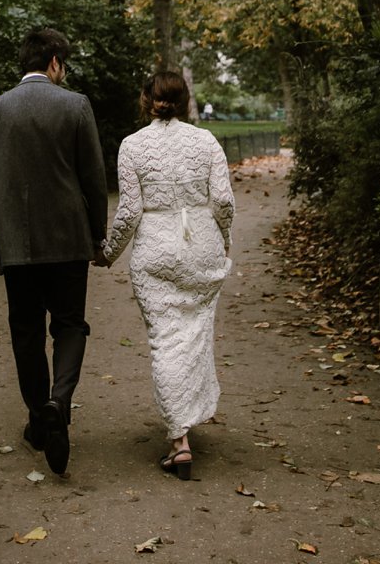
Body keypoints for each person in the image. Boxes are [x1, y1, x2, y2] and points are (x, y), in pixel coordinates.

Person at [0, 27, 107, 476]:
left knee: (25, 329)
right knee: (70, 324)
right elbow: (94, 178)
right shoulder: (76, 105)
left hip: (17, 241)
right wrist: (97, 236)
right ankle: (57, 403)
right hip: (67, 239)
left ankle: (37, 420)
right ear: (54, 63)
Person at [98, 70, 235, 481]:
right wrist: (223, 237)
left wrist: (108, 253)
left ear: (147, 100)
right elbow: (223, 200)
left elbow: (129, 212)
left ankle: (179, 441)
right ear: (186, 100)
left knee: (165, 339)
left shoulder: (132, 146)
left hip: (156, 252)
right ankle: (186, 418)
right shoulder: (206, 141)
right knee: (194, 333)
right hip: (201, 250)